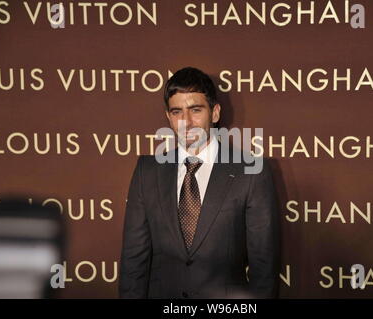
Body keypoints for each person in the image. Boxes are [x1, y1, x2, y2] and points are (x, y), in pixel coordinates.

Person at [119, 67, 280, 299]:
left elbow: (264, 268)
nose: (186, 121)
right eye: (177, 112)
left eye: (195, 110)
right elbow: (134, 261)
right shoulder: (147, 171)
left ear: (214, 113)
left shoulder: (252, 172)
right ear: (168, 117)